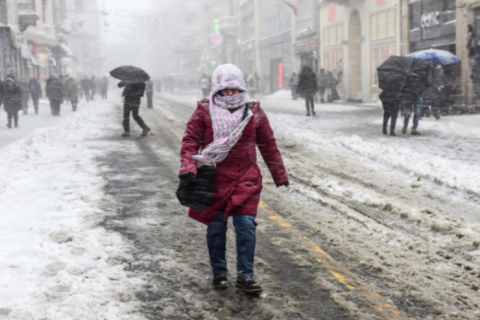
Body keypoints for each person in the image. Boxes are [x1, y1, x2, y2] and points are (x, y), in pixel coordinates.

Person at [179, 64, 289, 294]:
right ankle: (219, 273)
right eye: (224, 90)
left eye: (234, 89)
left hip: (246, 178)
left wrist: (279, 174)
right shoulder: (204, 110)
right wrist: (188, 167)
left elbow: (268, 145)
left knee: (246, 225)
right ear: (216, 90)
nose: (230, 94)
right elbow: (190, 140)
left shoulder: (254, 111)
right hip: (214, 177)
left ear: (242, 88)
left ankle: (245, 276)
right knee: (216, 228)